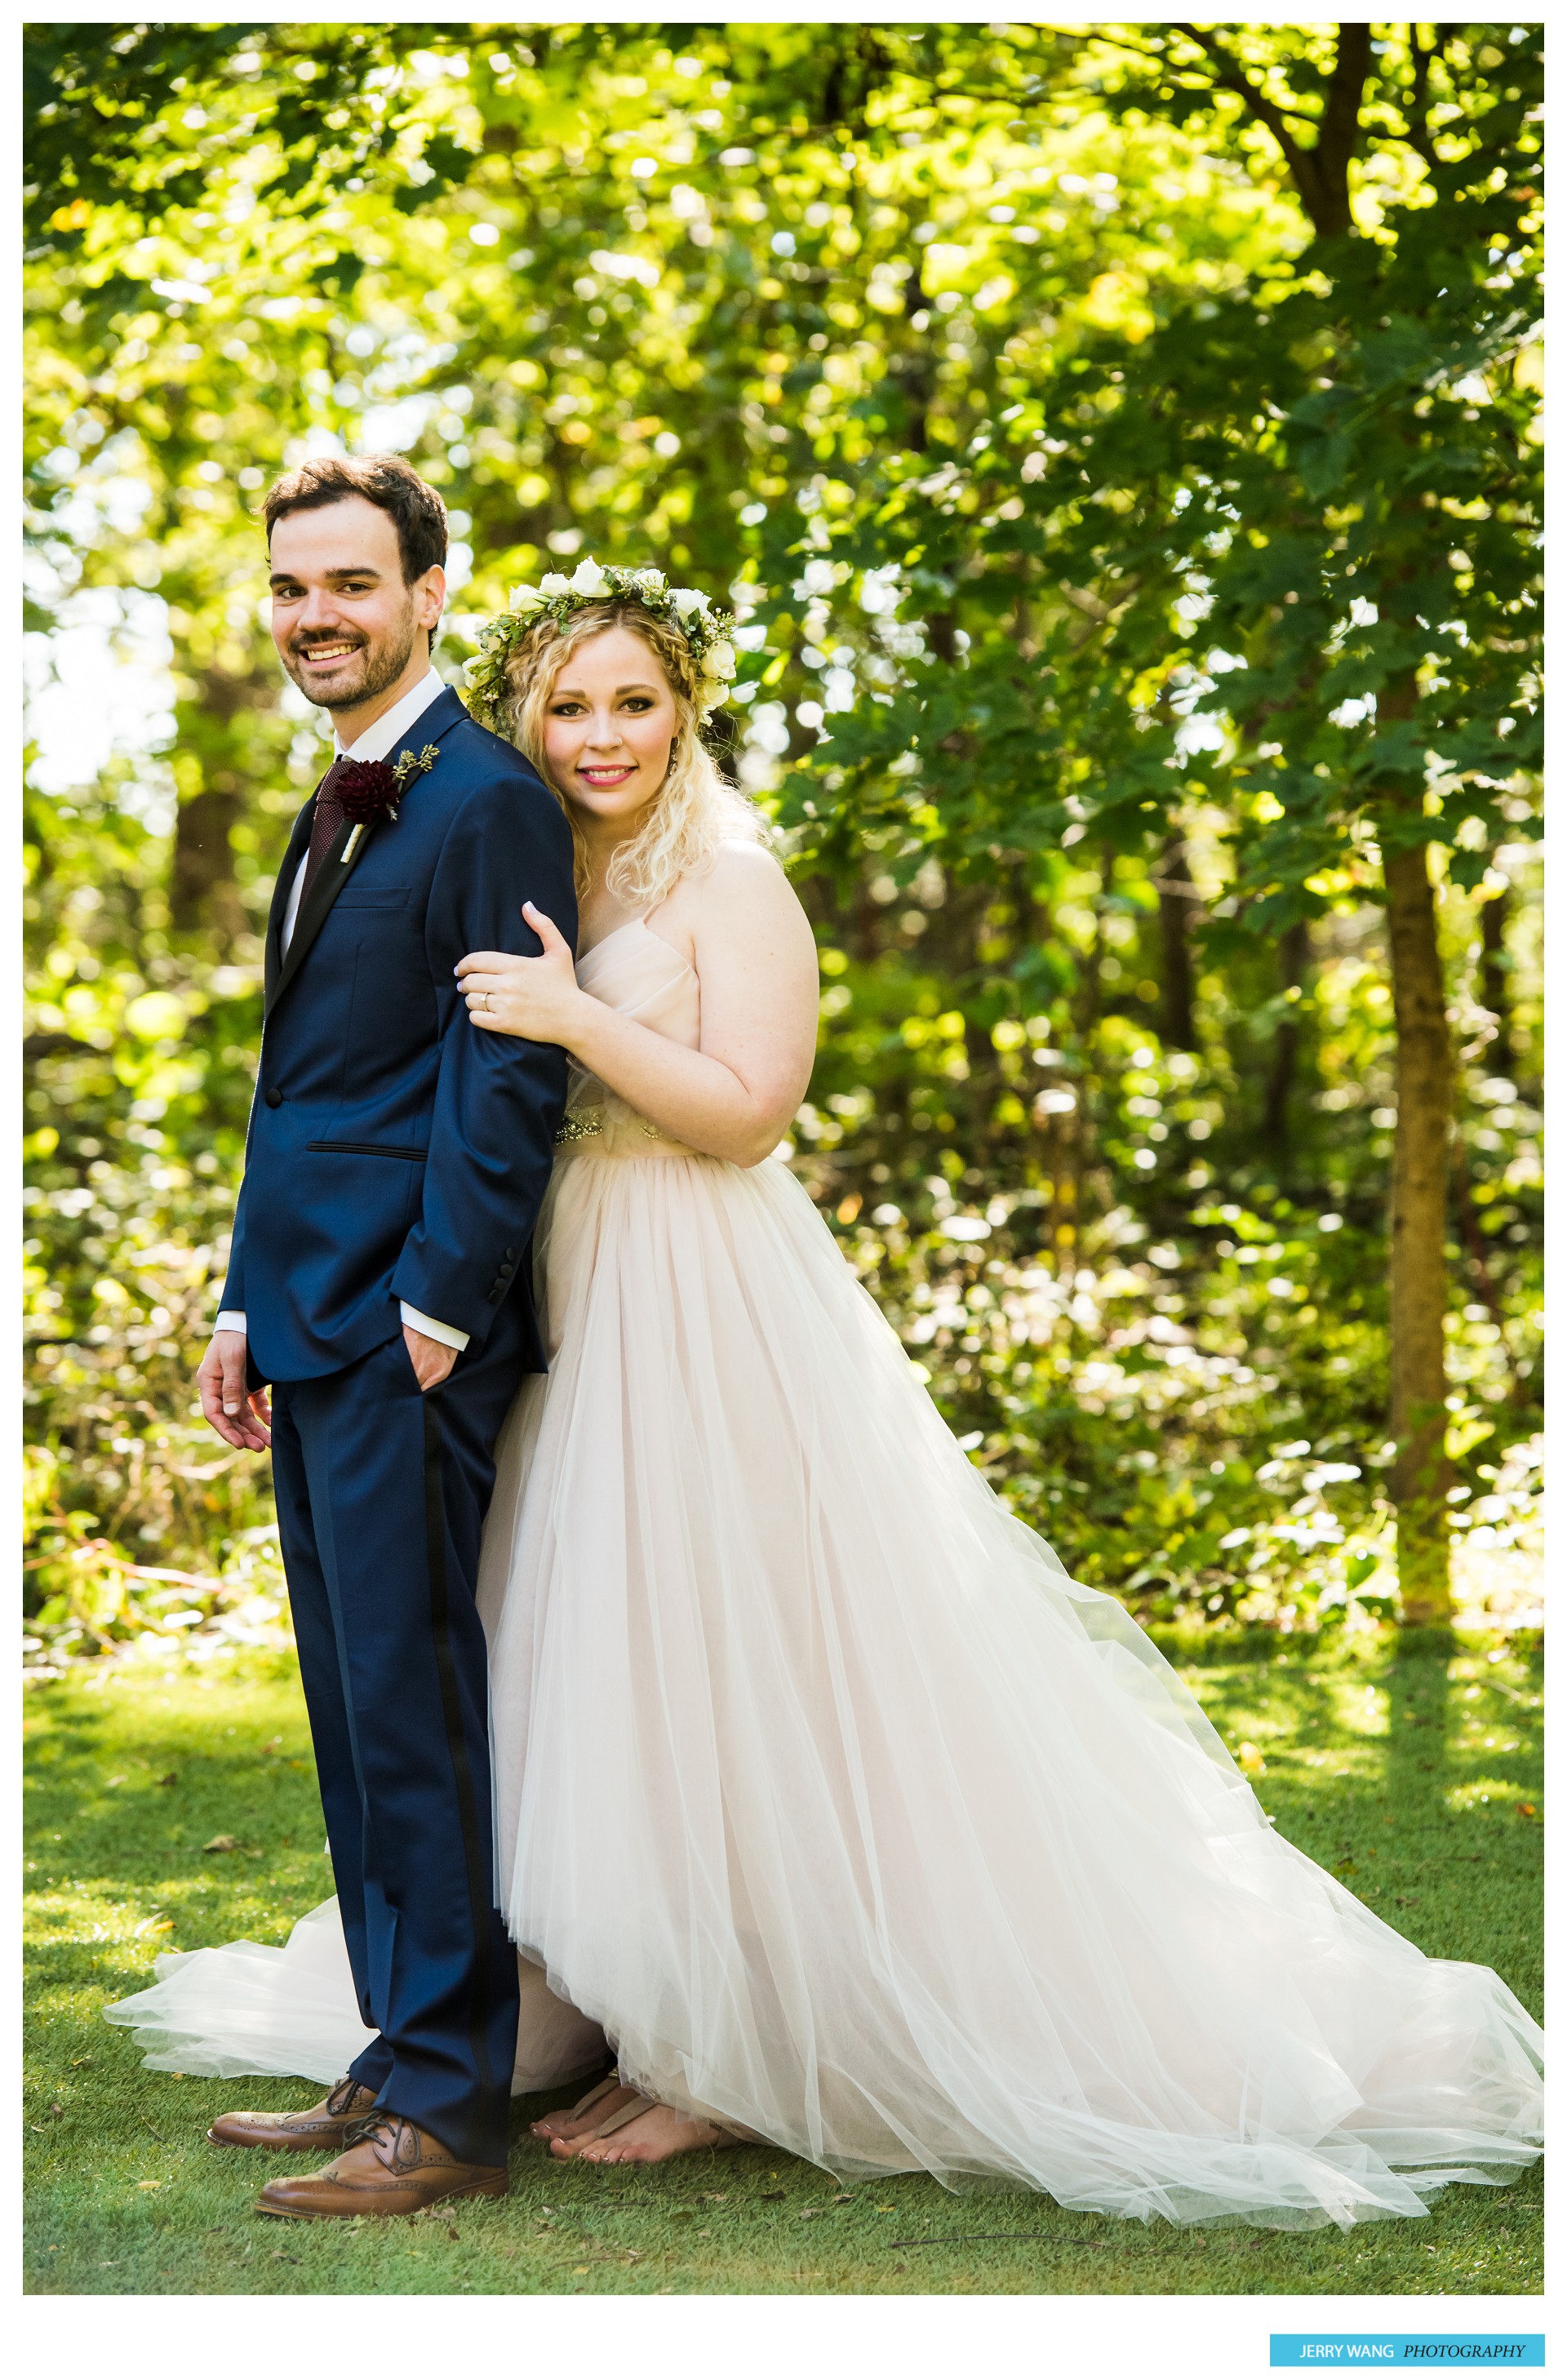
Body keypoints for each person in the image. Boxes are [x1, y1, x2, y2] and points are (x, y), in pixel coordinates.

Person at [110, 557, 1543, 2232]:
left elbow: (748, 1112)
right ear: (523, 712)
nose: (599, 733)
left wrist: (575, 1015)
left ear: (686, 709)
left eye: (634, 700)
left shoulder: (732, 879)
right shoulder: (531, 855)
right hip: (566, 1297)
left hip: (707, 1297)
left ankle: (730, 2060)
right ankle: (611, 2010)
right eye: (568, 704)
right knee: (594, 1678)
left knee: (740, 1665)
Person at [114, 455, 585, 2223]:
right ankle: (401, 2049)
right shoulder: (336, 798)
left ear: (429, 593)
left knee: (415, 1708)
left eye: (350, 585)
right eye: (292, 588)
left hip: (408, 1332)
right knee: (348, 1701)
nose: (316, 616)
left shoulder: (485, 802)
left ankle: (459, 2111)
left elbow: (507, 1069)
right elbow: (306, 1090)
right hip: (309, 1317)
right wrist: (244, 1297)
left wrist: (442, 1307)